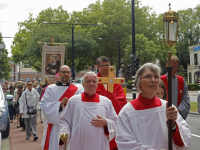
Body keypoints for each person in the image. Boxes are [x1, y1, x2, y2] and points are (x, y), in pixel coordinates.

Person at [116, 63, 191, 149]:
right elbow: (125, 144)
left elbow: (183, 140)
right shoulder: (127, 112)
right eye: (148, 76)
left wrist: (173, 125)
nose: (153, 80)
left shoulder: (168, 107)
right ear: (139, 83)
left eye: (156, 77)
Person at [59, 72, 117, 150]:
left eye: (94, 81)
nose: (91, 84)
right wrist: (64, 132)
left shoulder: (106, 102)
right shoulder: (73, 101)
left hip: (99, 145)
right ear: (83, 84)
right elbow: (65, 121)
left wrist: (106, 123)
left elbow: (116, 123)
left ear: (97, 84)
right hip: (77, 144)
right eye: (88, 81)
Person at [40, 65, 81, 150]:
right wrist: (59, 104)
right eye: (63, 72)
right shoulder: (50, 89)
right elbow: (43, 105)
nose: (66, 74)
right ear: (59, 73)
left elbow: (80, 107)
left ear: (70, 74)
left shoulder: (76, 90)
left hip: (70, 126)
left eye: (67, 72)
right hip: (55, 126)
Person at [96, 56, 126, 150]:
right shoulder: (94, 81)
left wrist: (111, 97)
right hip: (99, 118)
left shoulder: (115, 81)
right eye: (103, 66)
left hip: (114, 119)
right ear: (97, 66)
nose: (105, 68)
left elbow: (122, 100)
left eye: (107, 65)